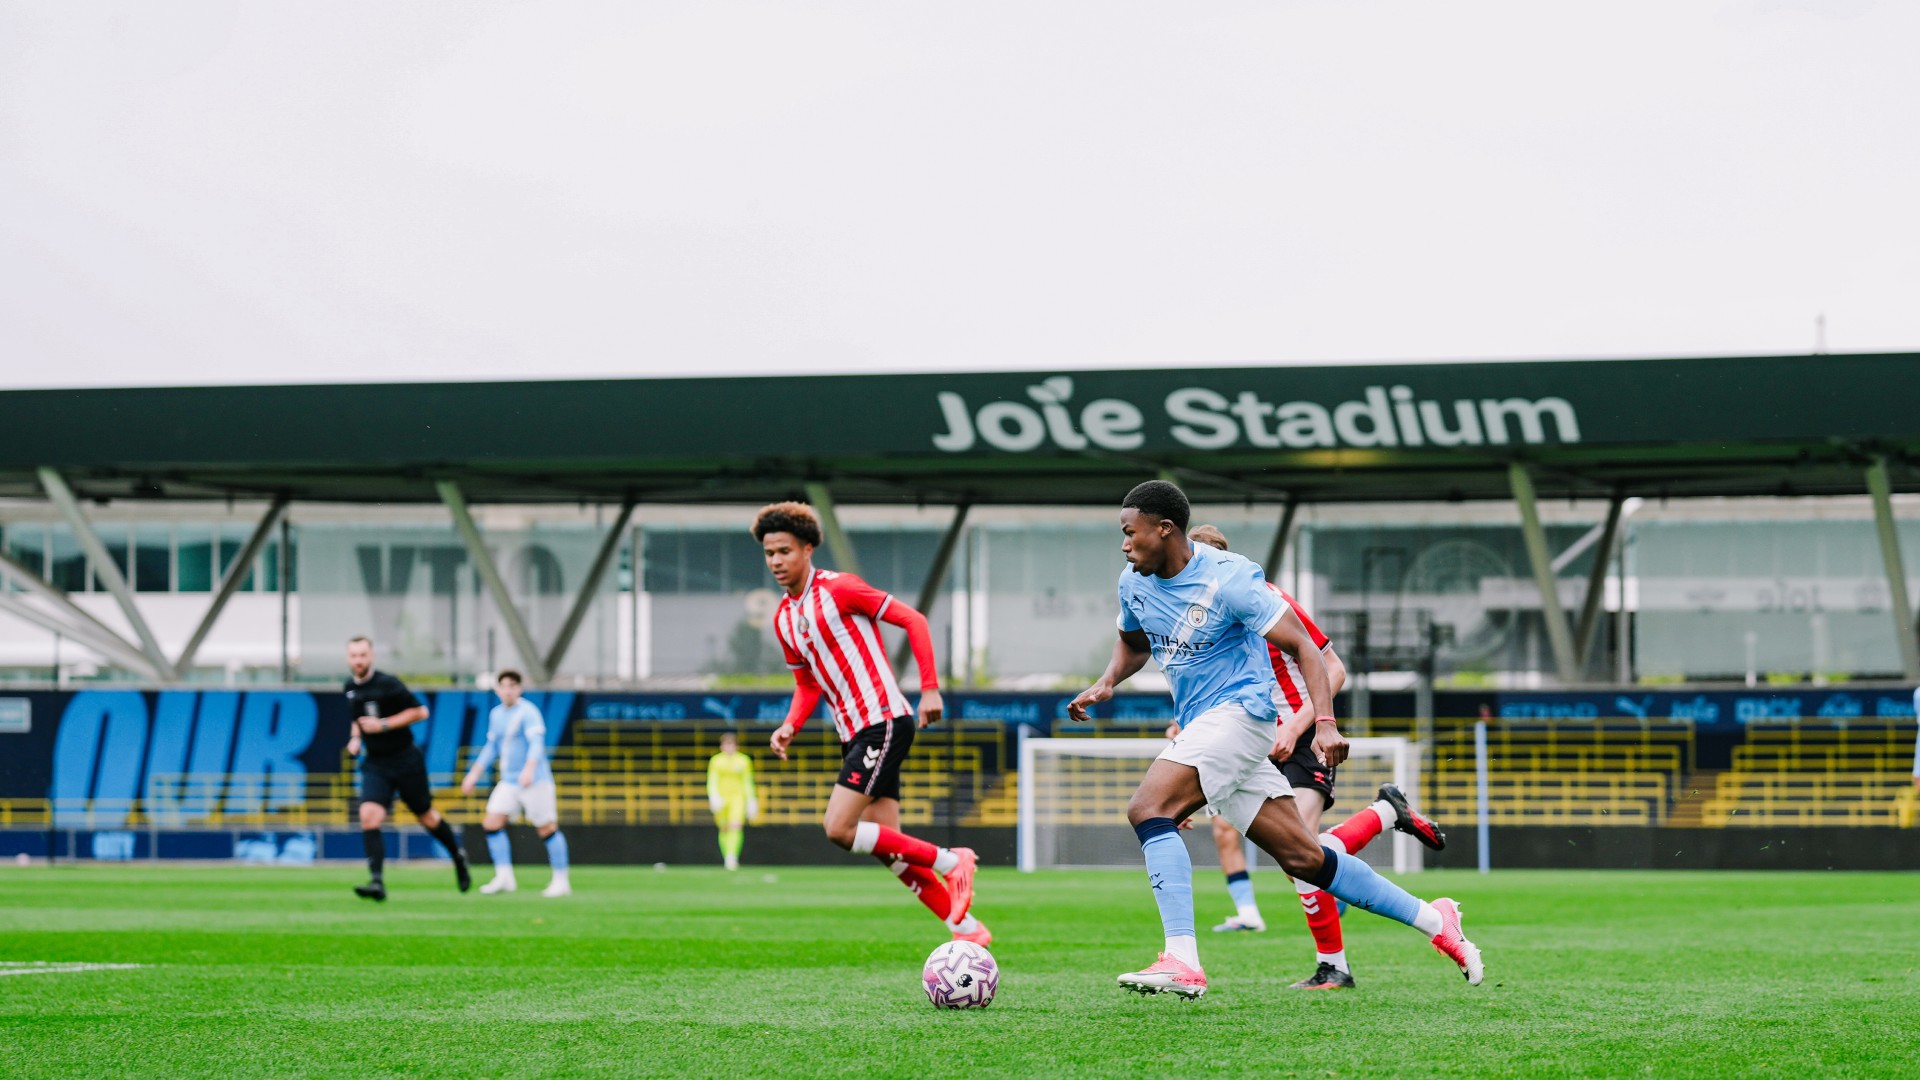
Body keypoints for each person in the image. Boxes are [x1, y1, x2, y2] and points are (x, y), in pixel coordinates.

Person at [1068, 481, 1482, 999]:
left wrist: (1324, 723)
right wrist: (1108, 679)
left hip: (1243, 715)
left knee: (1148, 808)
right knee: (1305, 860)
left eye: (1131, 534)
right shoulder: (1134, 583)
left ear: (1163, 528)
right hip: (1204, 725)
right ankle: (1435, 919)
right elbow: (1133, 643)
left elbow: (1307, 648)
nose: (1125, 545)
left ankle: (1182, 959)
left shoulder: (1231, 579)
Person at [1181, 524, 1447, 992]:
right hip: (1250, 736)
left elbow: (1334, 666)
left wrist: (1300, 726)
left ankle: (1335, 965)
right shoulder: (1197, 615)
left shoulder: (1265, 598)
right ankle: (1386, 811)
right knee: (1298, 856)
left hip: (1301, 733)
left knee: (1301, 853)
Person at [756, 501, 991, 946]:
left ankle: (951, 860)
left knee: (839, 829)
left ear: (808, 548)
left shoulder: (840, 588)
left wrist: (930, 688)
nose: (775, 562)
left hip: (882, 720)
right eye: (769, 554)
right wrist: (791, 724)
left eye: (784, 551)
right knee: (888, 844)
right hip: (853, 734)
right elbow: (807, 683)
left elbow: (913, 619)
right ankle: (964, 928)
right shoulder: (785, 617)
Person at [344, 636, 470, 901]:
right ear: (348, 658)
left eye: (362, 655)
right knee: (369, 815)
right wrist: (355, 738)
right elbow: (357, 719)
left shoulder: (388, 684)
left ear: (372, 656)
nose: (358, 660)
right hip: (376, 763)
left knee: (427, 817)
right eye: (354, 656)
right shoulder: (349, 688)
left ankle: (457, 856)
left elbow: (421, 712)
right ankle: (376, 881)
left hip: (405, 760)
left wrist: (385, 724)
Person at [460, 670, 571, 897]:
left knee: (547, 828)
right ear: (498, 689)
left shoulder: (528, 712)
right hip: (509, 781)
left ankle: (561, 881)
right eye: (504, 686)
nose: (508, 690)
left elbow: (537, 743)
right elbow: (491, 747)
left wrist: (529, 769)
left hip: (535, 781)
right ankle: (504, 877)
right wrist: (473, 774)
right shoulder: (496, 714)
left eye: (513, 686)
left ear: (519, 689)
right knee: (491, 822)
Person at [707, 732, 759, 870]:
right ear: (722, 746)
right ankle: (727, 855)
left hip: (738, 798)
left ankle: (732, 856)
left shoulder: (743, 761)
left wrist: (751, 800)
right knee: (724, 828)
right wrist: (713, 796)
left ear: (736, 746)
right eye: (726, 744)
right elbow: (712, 780)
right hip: (722, 798)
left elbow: (748, 781)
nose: (729, 747)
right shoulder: (716, 761)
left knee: (736, 826)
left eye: (732, 744)